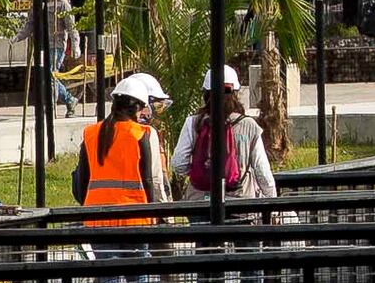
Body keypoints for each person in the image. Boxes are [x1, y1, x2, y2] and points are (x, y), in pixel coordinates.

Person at [78, 70, 171, 227]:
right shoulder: (142, 133)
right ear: (137, 107)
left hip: (96, 218)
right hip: (135, 219)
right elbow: (149, 180)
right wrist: (153, 215)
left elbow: (82, 180)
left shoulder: (91, 133)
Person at [178, 63, 278, 206]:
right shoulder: (248, 125)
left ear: (206, 93)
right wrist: (272, 202)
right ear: (235, 93)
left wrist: (201, 173)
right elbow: (262, 171)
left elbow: (178, 163)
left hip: (200, 204)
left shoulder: (193, 123)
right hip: (240, 203)